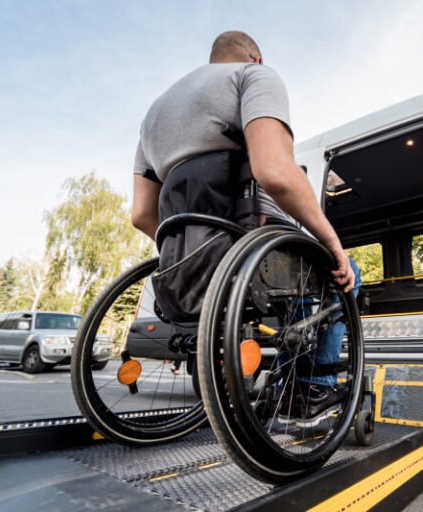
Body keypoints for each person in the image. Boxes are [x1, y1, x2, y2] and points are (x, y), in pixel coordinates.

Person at [130, 31, 358, 425]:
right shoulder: (253, 78)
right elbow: (275, 172)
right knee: (344, 276)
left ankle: (289, 382)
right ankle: (308, 388)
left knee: (300, 289)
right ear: (255, 58)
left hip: (190, 253)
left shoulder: (154, 115)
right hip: (247, 238)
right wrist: (331, 241)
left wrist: (191, 249)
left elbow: (141, 214)